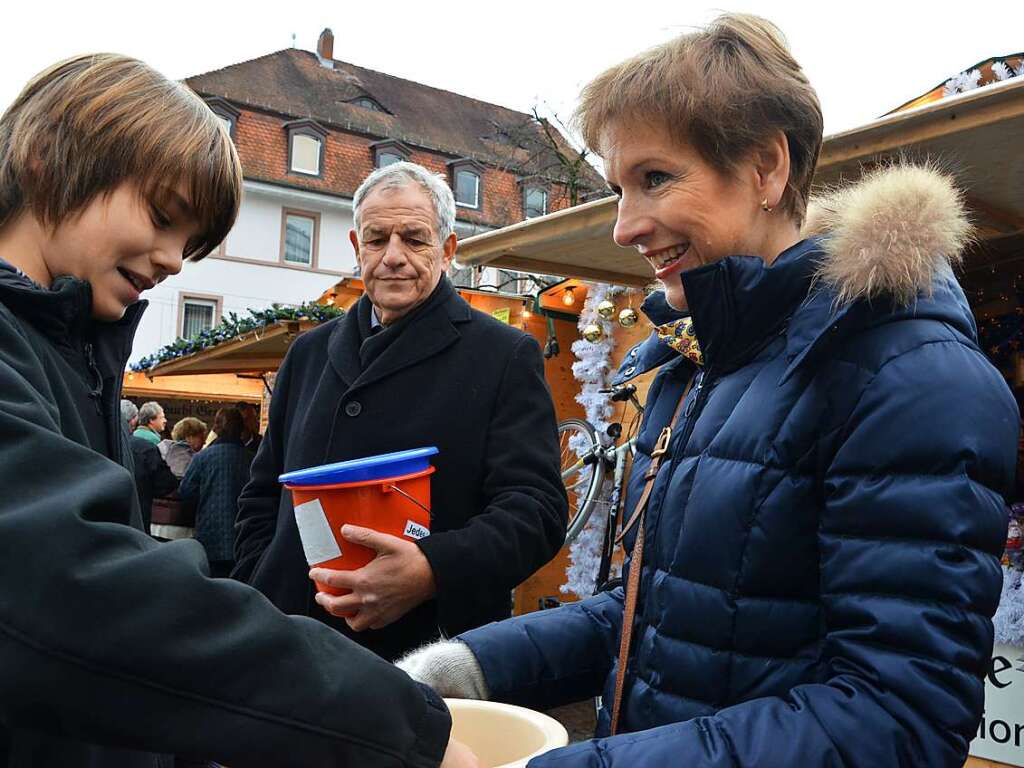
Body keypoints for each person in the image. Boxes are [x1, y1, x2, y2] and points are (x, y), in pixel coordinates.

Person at [398, 14, 1019, 767]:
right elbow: (651, 615)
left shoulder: (910, 375)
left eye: (656, 179)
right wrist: (462, 668)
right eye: (619, 187)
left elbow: (896, 721)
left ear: (766, 168)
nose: (625, 225)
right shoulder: (702, 363)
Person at [0, 53, 471, 767]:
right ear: (43, 161)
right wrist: (391, 726)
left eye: (188, 242)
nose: (173, 262)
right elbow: (78, 595)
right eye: (162, 217)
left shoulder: (75, 350)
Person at [233, 161, 567, 661]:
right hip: (291, 644)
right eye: (377, 239)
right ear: (355, 246)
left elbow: (536, 511)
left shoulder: (503, 354)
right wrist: (260, 587)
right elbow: (263, 493)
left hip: (422, 655)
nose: (393, 257)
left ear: (448, 250)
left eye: (414, 238)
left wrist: (431, 570)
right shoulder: (308, 352)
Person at [178, 407, 251, 577]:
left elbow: (186, 492)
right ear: (241, 429)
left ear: (216, 427)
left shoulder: (202, 457)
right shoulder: (252, 459)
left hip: (209, 536)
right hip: (243, 538)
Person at [122, 398, 179, 532]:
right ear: (133, 421)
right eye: (162, 417)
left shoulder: (103, 444)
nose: (165, 420)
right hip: (140, 514)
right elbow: (165, 483)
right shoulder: (149, 446)